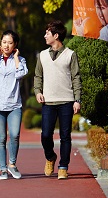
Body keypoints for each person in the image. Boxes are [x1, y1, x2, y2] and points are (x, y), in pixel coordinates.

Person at [34, 20, 82, 180]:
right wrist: (37, 91)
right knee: (45, 135)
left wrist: (77, 99)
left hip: (67, 101)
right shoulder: (42, 55)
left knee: (65, 136)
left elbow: (76, 77)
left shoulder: (70, 54)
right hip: (48, 101)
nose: (44, 36)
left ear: (56, 35)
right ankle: (50, 157)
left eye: (47, 33)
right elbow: (38, 76)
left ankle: (63, 166)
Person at [0, 30, 28, 180]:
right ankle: (2, 169)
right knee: (0, 138)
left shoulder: (20, 60)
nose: (6, 45)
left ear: (15, 45)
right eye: (4, 42)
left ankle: (12, 164)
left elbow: (21, 74)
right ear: (0, 43)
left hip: (14, 104)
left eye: (10, 42)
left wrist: (15, 58)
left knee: (14, 135)